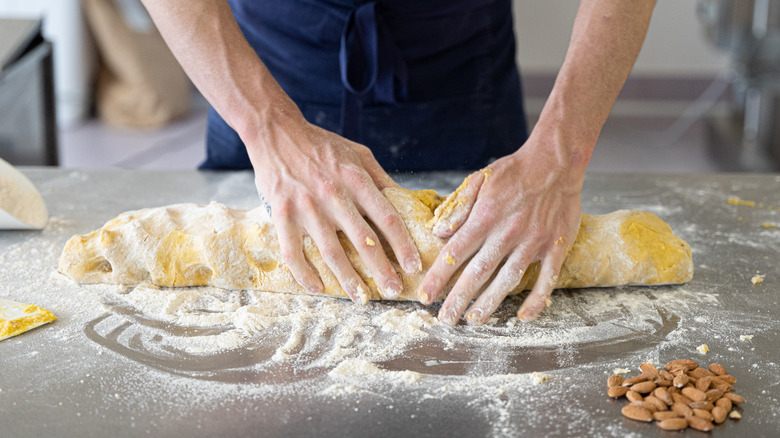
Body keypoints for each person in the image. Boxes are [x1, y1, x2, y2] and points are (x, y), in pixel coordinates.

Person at [141, 0, 657, 325]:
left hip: (458, 58)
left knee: (498, 247)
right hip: (259, 63)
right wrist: (266, 128)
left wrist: (560, 153)